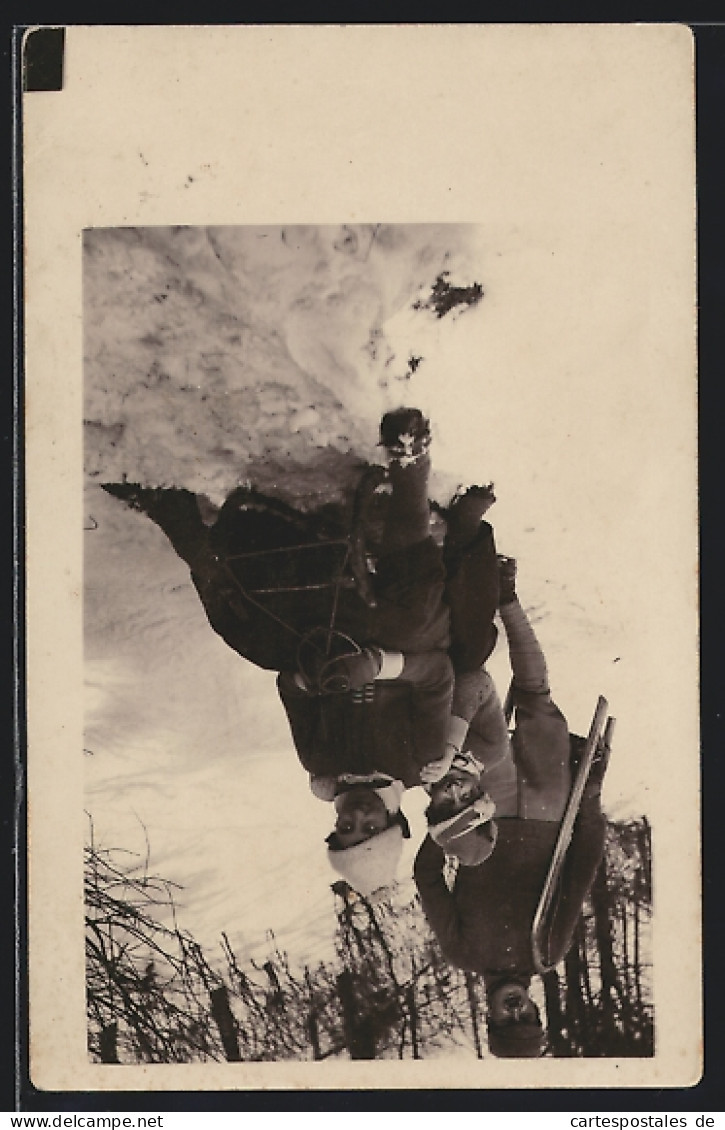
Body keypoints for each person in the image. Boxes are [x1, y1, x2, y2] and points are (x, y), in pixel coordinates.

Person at [103, 408, 501, 899]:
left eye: (341, 831)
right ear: (393, 823)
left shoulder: (320, 762)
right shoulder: (421, 763)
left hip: (329, 639)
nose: (351, 819)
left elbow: (288, 687)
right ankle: (409, 468)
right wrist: (379, 665)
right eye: (365, 828)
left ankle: (178, 519)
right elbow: (438, 674)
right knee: (415, 611)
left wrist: (307, 680)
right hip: (395, 641)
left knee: (248, 638)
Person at [413, 557, 610, 1056]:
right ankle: (505, 596)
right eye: (526, 1015)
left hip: (488, 812)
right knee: (538, 701)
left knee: (481, 711)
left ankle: (451, 604)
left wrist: (447, 827)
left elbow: (428, 878)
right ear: (537, 1007)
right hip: (548, 811)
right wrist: (589, 794)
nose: (515, 1008)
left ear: (491, 1016)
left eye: (507, 1018)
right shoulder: (549, 949)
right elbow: (582, 865)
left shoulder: (463, 953)